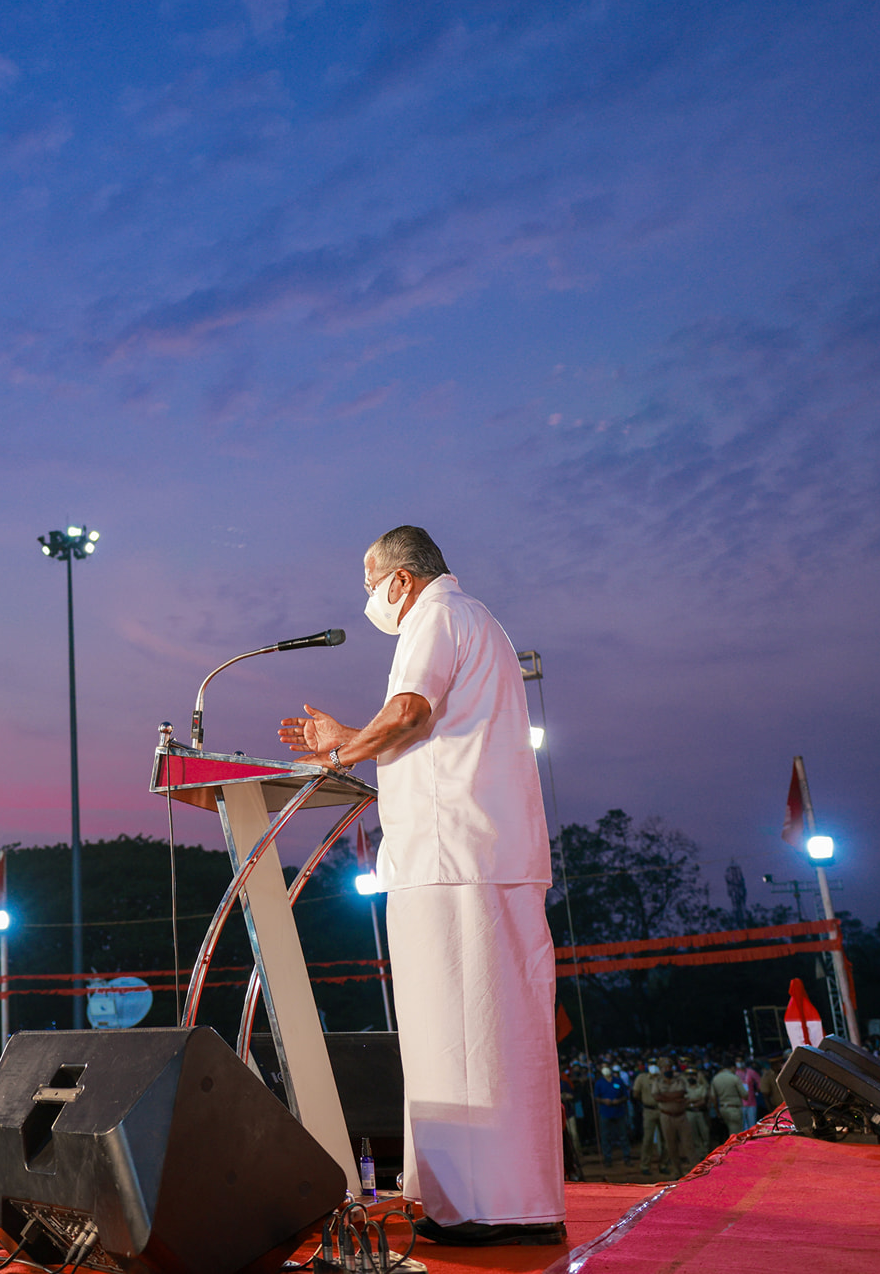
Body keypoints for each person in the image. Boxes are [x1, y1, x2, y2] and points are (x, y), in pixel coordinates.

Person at [280, 526, 563, 1248]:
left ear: (400, 580)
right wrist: (348, 736)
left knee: (459, 1029)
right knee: (494, 1032)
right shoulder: (477, 619)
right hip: (480, 853)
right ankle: (508, 1202)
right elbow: (419, 725)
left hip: (454, 858)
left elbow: (410, 712)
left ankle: (476, 1210)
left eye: (371, 581)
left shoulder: (435, 616)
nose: (370, 598)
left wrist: (340, 748)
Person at [592, 1067, 630, 1166]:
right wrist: (604, 1101)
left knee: (623, 1135)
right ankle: (607, 1158)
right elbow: (596, 1097)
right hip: (605, 1113)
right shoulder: (599, 1083)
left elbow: (626, 1096)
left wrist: (619, 1101)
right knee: (605, 1136)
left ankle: (627, 1157)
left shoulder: (618, 1081)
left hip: (619, 1112)